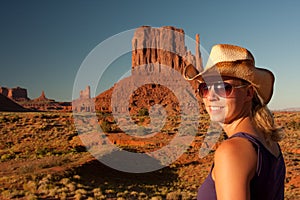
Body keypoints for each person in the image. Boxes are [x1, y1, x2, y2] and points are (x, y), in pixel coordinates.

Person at [183, 44, 286, 200]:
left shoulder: (231, 151)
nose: (210, 97)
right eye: (205, 88)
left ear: (248, 93)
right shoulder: (269, 143)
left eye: (222, 87)